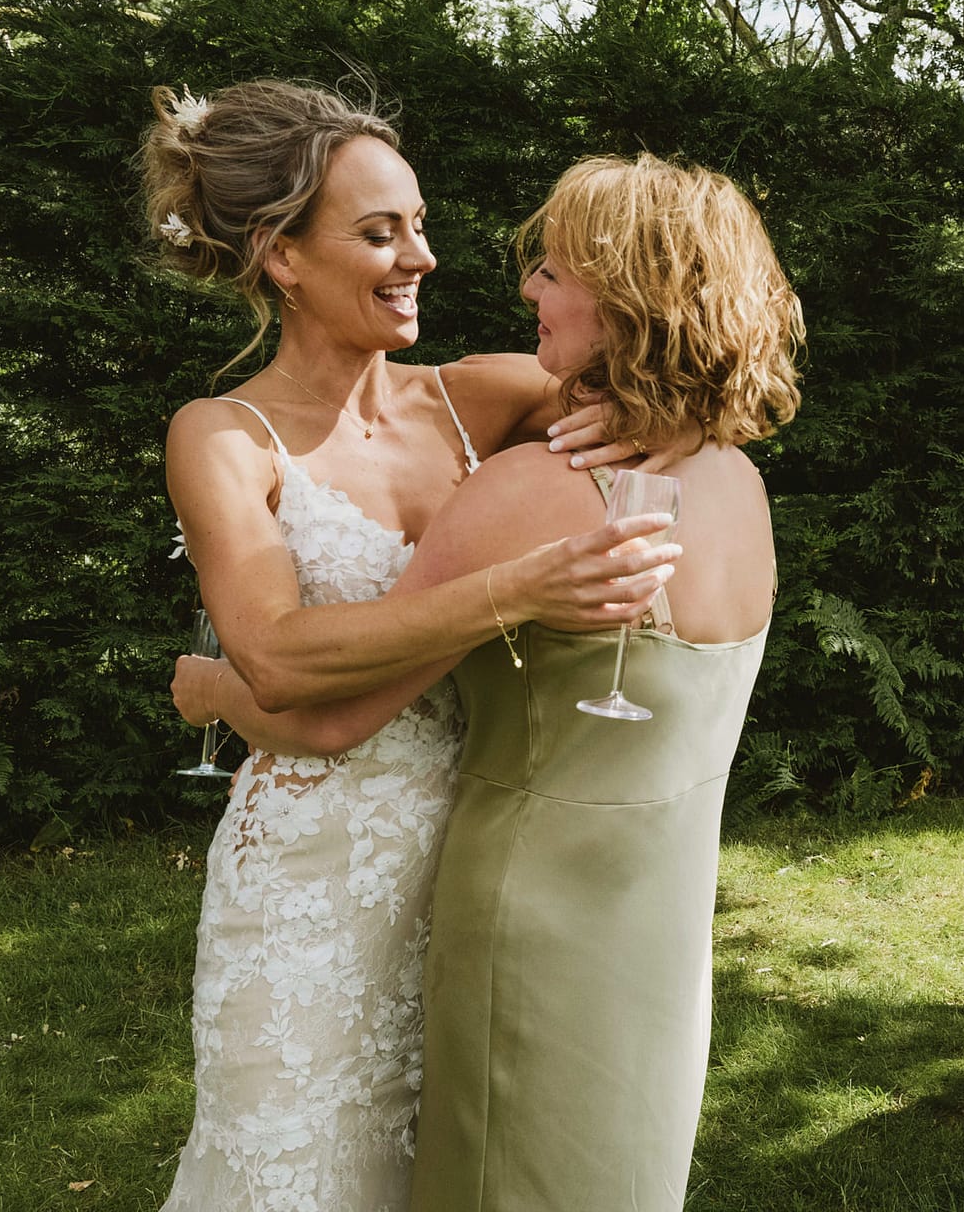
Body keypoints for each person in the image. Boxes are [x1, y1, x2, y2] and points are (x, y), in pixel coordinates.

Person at [176, 153, 802, 1211]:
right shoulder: (730, 480)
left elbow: (321, 711)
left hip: (509, 893)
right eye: (383, 231)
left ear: (629, 295)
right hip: (609, 916)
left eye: (553, 267)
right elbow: (685, 379)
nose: (513, 283)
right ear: (281, 256)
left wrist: (207, 690)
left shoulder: (509, 452)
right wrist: (669, 409)